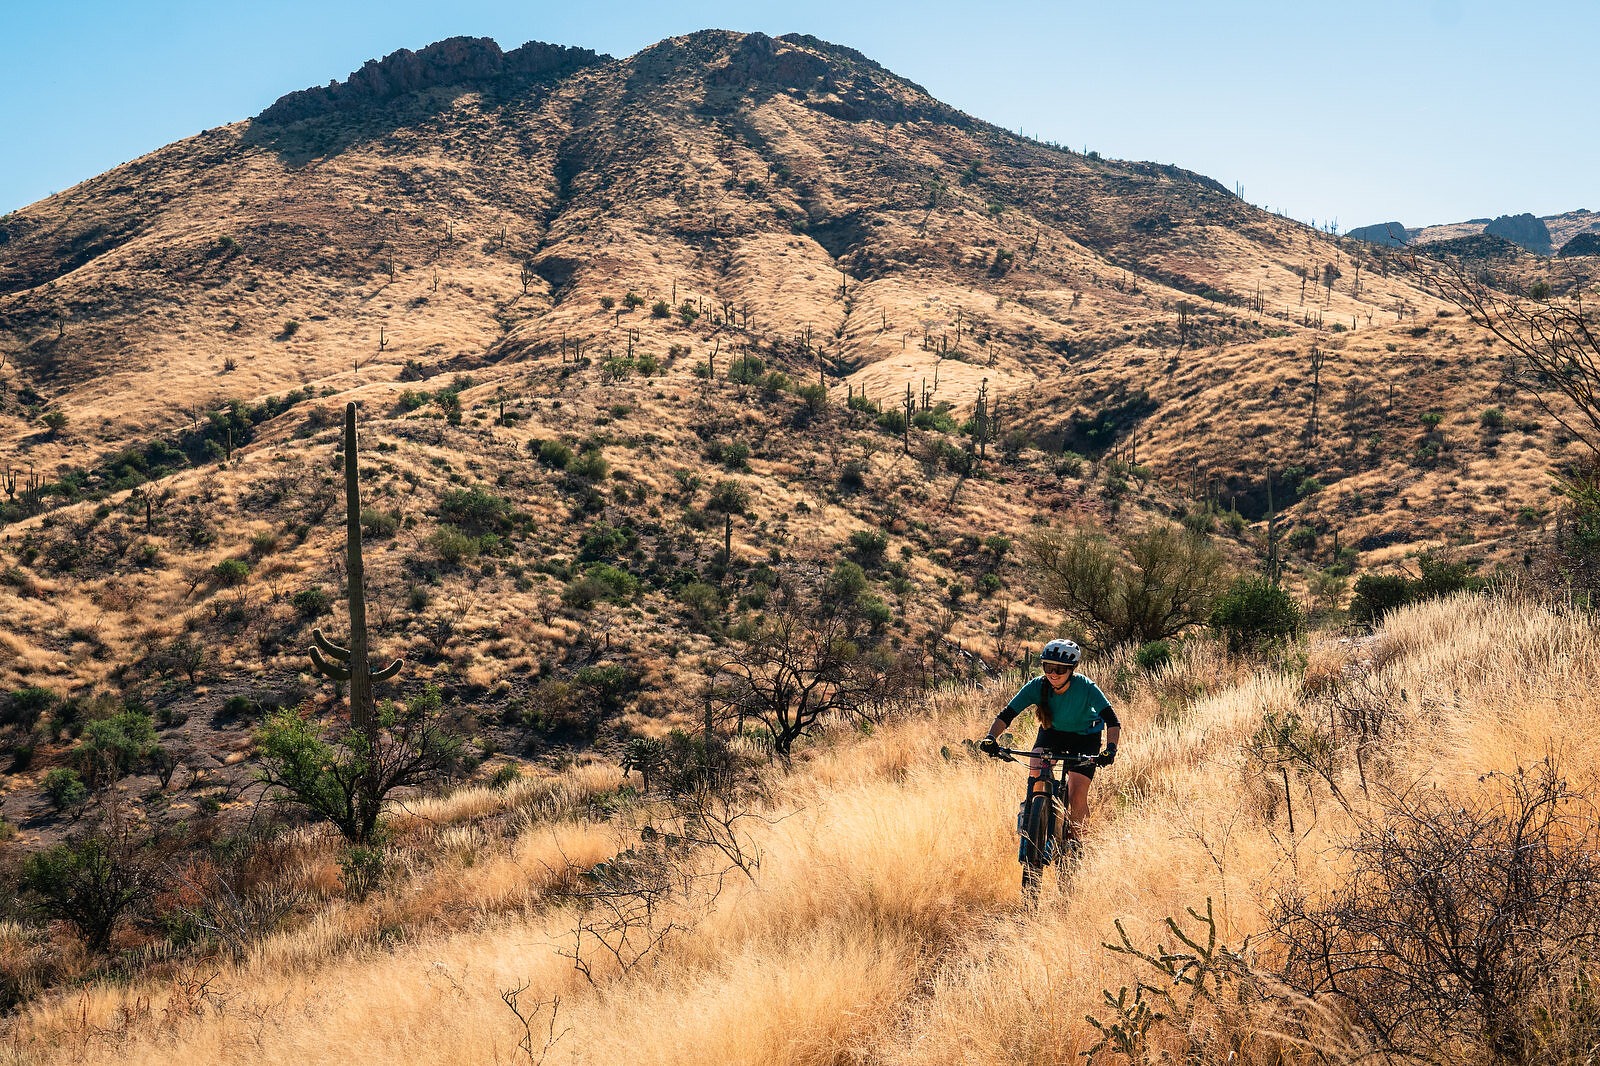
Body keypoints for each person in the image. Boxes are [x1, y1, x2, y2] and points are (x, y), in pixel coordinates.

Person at [979, 638, 1120, 850]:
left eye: (1060, 669)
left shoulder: (1086, 687)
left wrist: (1110, 750)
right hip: (1052, 733)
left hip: (1085, 737)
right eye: (1048, 667)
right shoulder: (1037, 686)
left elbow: (1112, 721)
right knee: (1036, 771)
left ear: (1072, 669)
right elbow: (1007, 715)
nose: (1053, 673)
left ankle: (1076, 844)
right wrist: (991, 737)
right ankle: (1032, 816)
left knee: (1077, 792)